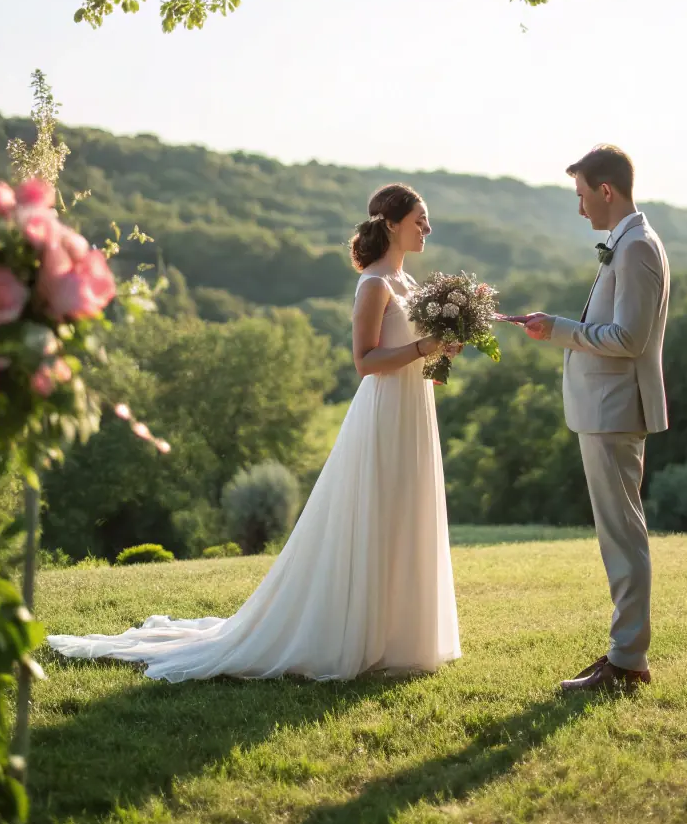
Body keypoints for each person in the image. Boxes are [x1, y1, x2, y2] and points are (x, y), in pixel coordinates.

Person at [46, 183, 462, 682]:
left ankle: (402, 638)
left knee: (407, 510)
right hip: (384, 412)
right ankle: (357, 634)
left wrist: (441, 349)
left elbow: (416, 345)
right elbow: (365, 362)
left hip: (416, 407)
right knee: (378, 512)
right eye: (420, 219)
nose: (427, 228)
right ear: (392, 224)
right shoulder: (374, 284)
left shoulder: (409, 283)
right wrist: (423, 349)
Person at [517, 145, 669, 694]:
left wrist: (560, 328)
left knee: (623, 537)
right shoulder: (628, 244)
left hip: (613, 412)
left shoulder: (636, 250)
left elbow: (629, 340)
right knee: (618, 536)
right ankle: (622, 654)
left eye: (582, 196)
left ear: (607, 190)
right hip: (603, 412)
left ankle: (628, 662)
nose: (580, 210)